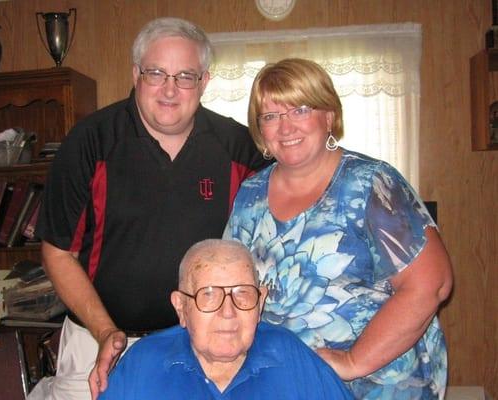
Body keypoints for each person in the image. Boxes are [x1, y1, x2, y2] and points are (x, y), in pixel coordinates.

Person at [29, 17, 269, 400]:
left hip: (200, 346)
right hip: (99, 345)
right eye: (156, 73)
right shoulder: (89, 143)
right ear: (136, 73)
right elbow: (58, 252)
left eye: (185, 76)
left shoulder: (238, 148)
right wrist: (106, 331)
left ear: (204, 82)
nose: (170, 90)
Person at [223, 58, 453, 399]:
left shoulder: (370, 184)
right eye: (271, 117)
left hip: (377, 383)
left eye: (300, 110)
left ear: (329, 116)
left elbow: (431, 285)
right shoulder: (251, 193)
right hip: (289, 382)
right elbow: (231, 281)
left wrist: (353, 360)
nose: (285, 128)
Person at [98, 239, 354, 399]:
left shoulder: (291, 357)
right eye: (208, 295)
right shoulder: (142, 364)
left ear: (261, 301)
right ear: (181, 307)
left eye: (242, 294)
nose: (228, 312)